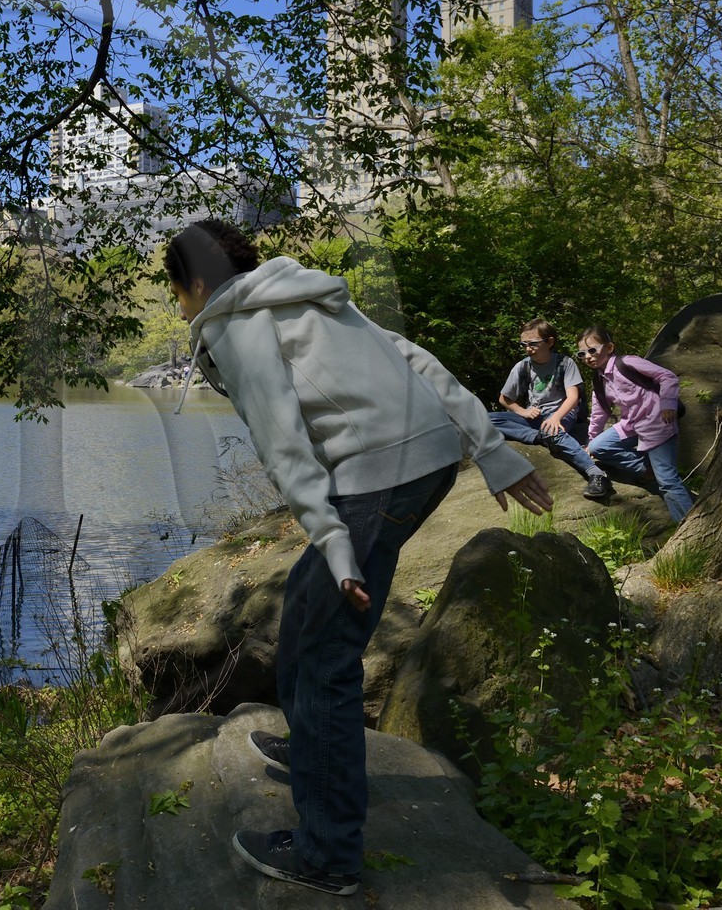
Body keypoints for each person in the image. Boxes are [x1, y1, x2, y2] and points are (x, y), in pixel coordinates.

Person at [164, 219, 552, 898]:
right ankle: (317, 746)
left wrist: (333, 539)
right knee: (311, 623)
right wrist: (487, 449)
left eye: (175, 288)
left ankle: (328, 853)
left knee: (323, 653)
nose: (177, 304)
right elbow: (418, 359)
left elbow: (282, 439)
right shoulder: (302, 294)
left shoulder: (238, 326)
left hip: (377, 477)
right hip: (424, 459)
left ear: (195, 282)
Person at [576, 325, 694, 523]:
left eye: (592, 350)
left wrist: (668, 404)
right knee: (599, 446)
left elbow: (667, 376)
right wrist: (591, 439)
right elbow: (599, 411)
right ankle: (645, 470)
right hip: (632, 425)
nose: (587, 356)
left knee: (667, 482)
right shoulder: (599, 379)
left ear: (610, 347)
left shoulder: (627, 363)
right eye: (582, 353)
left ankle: (689, 524)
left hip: (658, 424)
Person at [488, 319, 612, 502]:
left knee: (552, 430)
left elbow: (573, 397)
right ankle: (538, 436)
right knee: (485, 418)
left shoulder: (564, 363)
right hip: (534, 418)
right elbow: (504, 399)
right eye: (524, 344)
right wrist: (523, 412)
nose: (528, 349)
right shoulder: (523, 366)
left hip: (563, 413)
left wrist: (556, 418)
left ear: (550, 342)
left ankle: (596, 473)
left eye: (533, 344)